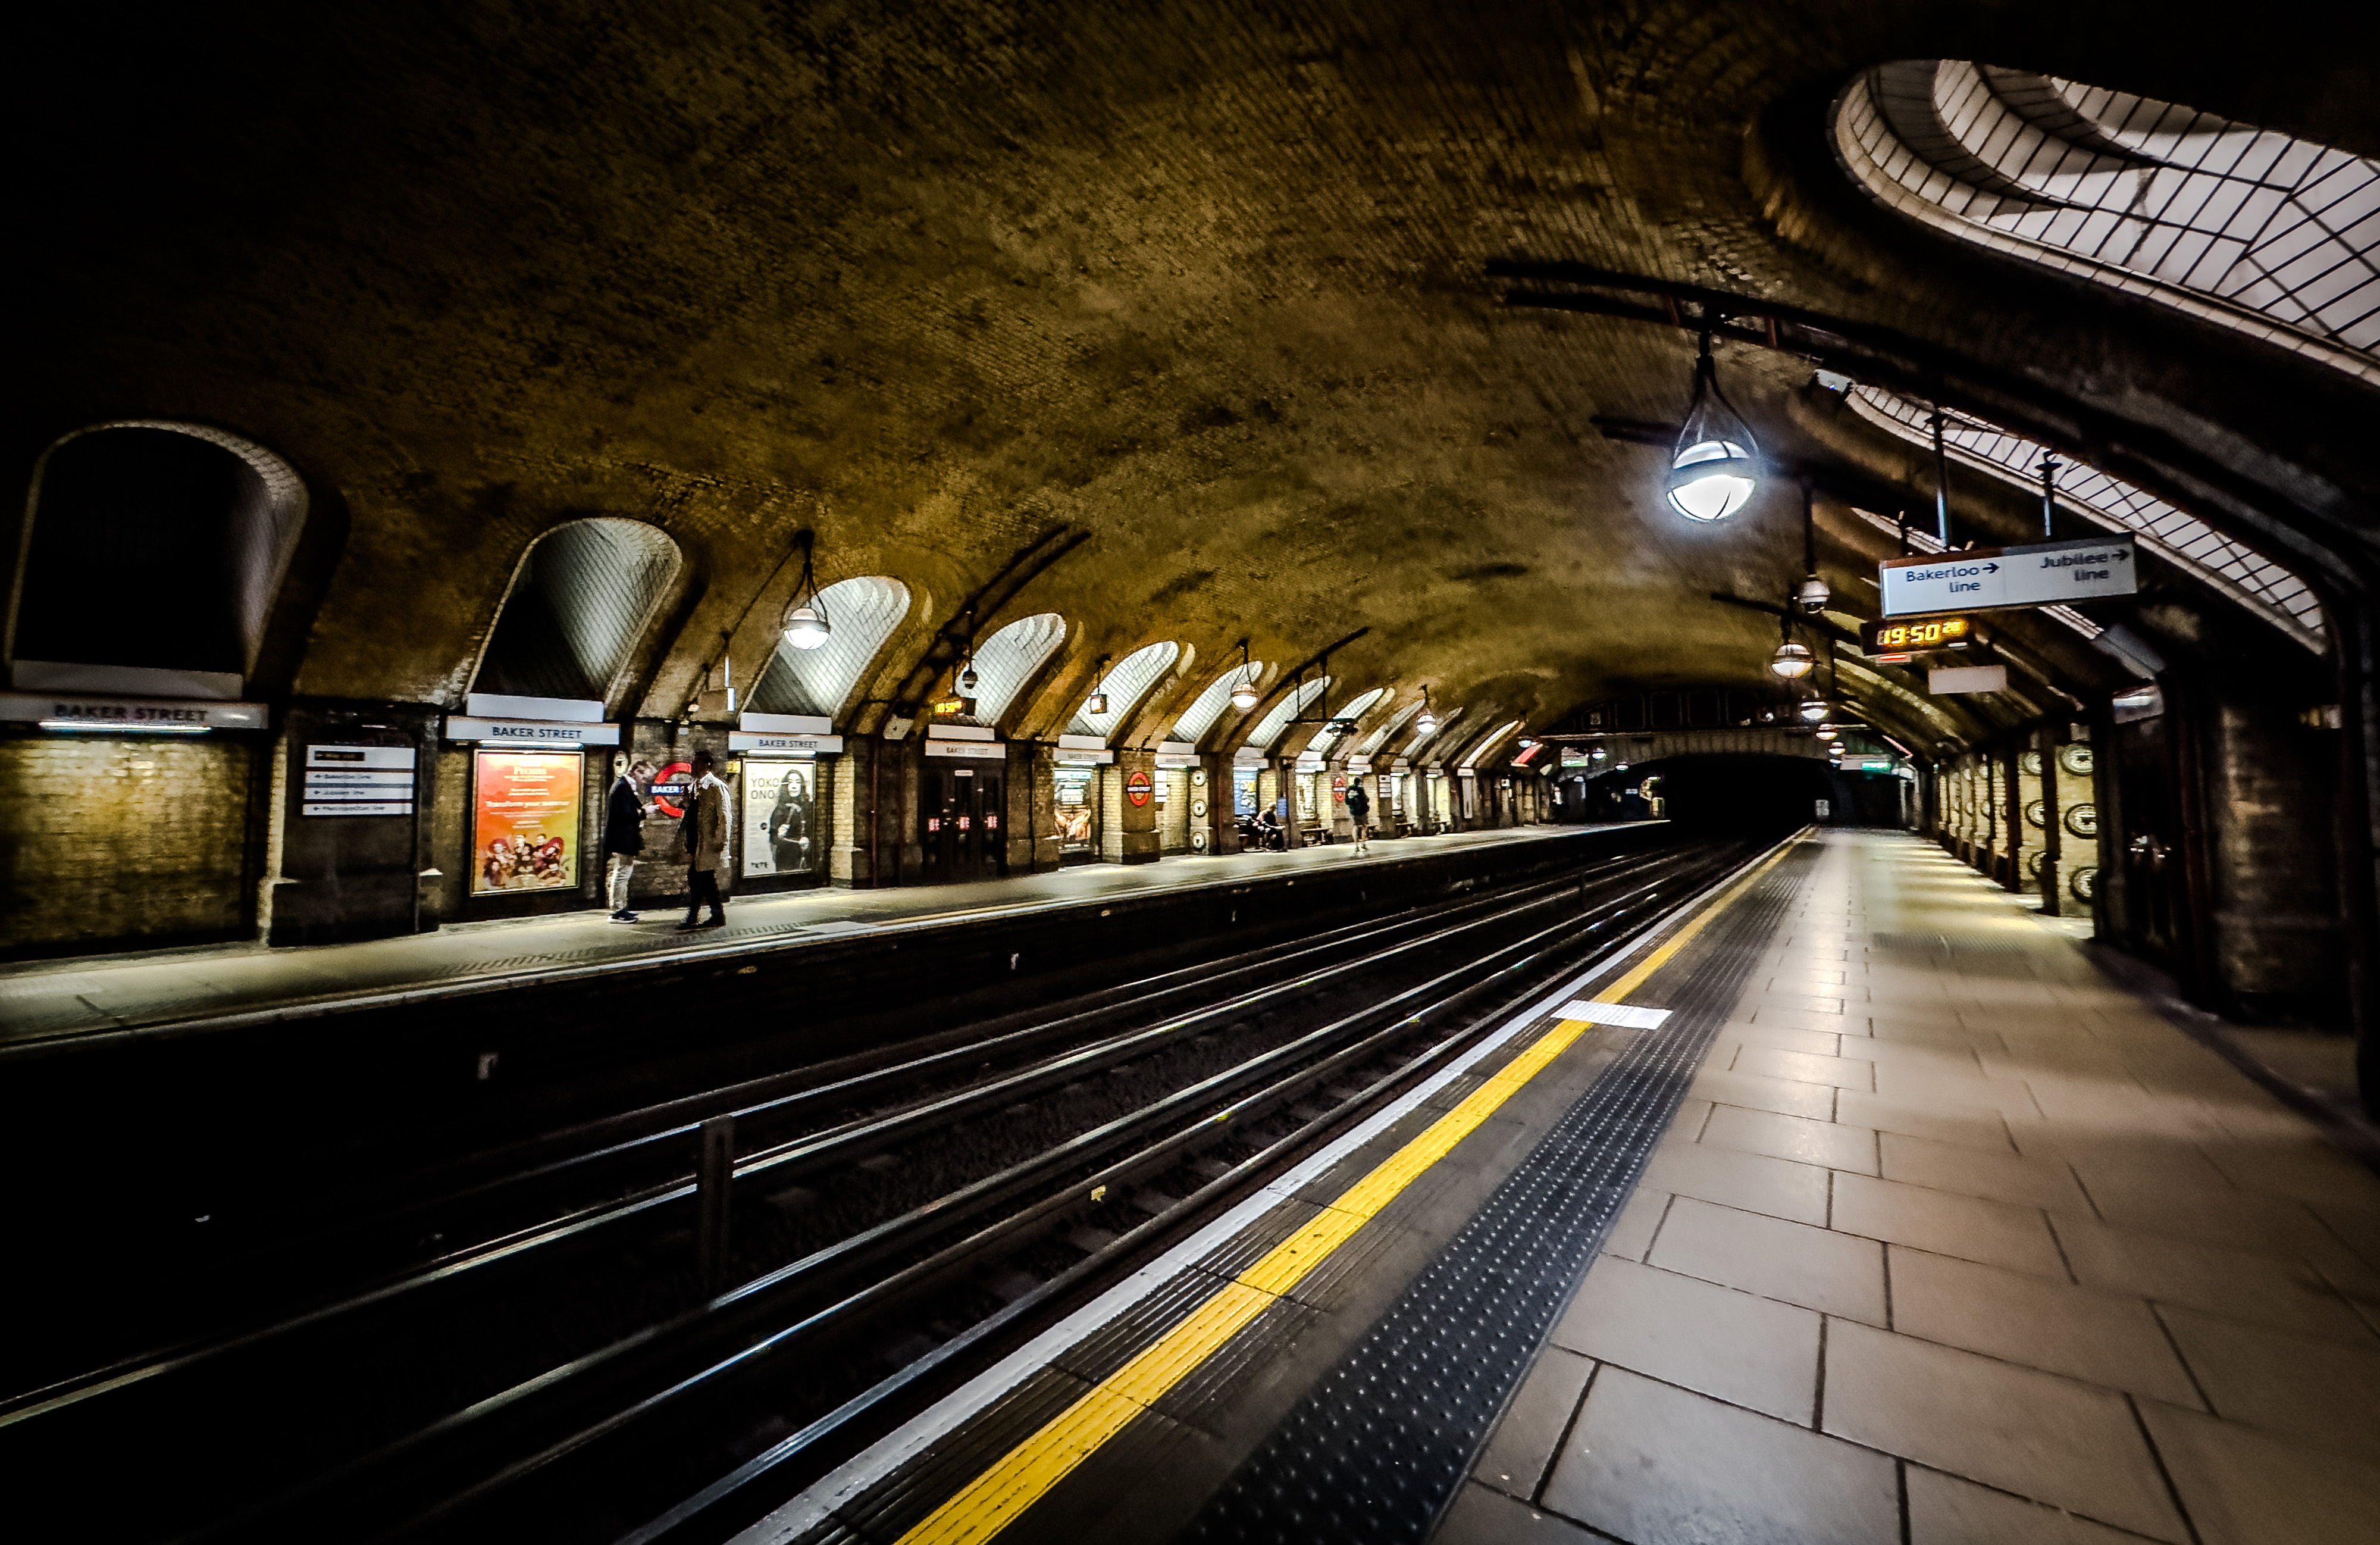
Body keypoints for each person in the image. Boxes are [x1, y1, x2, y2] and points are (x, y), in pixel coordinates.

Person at [678, 749, 729, 931]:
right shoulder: (694, 787)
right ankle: (713, 915)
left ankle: (700, 916)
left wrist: (720, 840)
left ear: (707, 765)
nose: (693, 765)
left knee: (701, 879)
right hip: (695, 842)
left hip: (708, 843)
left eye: (697, 762)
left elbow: (724, 816)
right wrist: (686, 800)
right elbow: (691, 814)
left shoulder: (716, 786)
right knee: (701, 879)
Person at [603, 758, 654, 921]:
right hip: (622, 839)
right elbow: (625, 815)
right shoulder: (622, 787)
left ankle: (621, 908)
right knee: (622, 873)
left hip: (624, 838)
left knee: (624, 872)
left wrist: (642, 810)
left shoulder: (624, 786)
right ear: (636, 771)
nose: (644, 781)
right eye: (644, 777)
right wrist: (645, 812)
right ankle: (617, 911)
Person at [1345, 777, 1372, 855]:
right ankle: (1363, 843)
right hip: (1362, 812)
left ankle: (1356, 845)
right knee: (1364, 827)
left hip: (1353, 812)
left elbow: (1347, 802)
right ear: (1359, 782)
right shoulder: (1360, 790)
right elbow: (1366, 799)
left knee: (1355, 827)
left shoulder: (1349, 790)